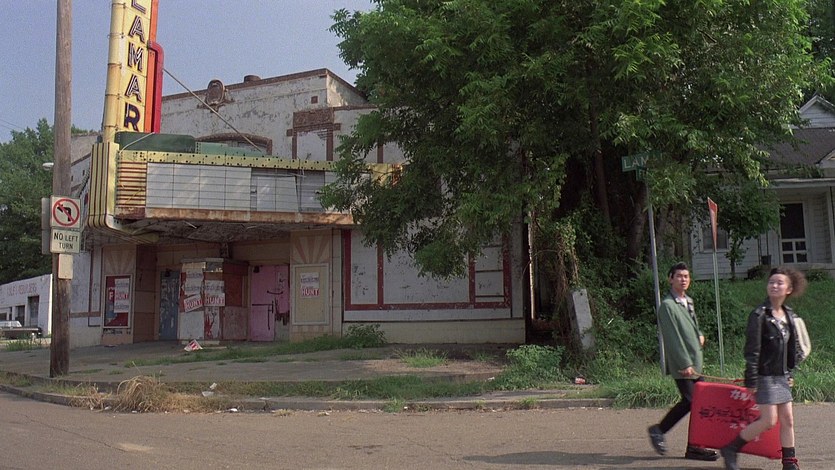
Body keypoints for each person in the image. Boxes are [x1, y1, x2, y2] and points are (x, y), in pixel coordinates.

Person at [721, 267, 807, 470]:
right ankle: (731, 448)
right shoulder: (759, 315)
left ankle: (789, 462)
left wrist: (790, 372)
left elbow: (792, 349)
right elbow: (752, 350)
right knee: (769, 420)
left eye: (779, 283)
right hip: (765, 375)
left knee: (788, 419)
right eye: (771, 282)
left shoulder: (789, 315)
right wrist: (751, 379)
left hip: (782, 376)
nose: (774, 286)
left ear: (789, 289)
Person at [647, 262, 718, 461]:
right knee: (691, 401)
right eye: (679, 276)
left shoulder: (688, 301)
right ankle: (659, 430)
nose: (683, 279)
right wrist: (685, 363)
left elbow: (693, 326)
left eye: (686, 276)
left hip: (696, 362)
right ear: (670, 279)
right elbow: (673, 338)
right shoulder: (667, 306)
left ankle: (695, 447)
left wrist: (700, 334)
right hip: (683, 365)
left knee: (699, 403)